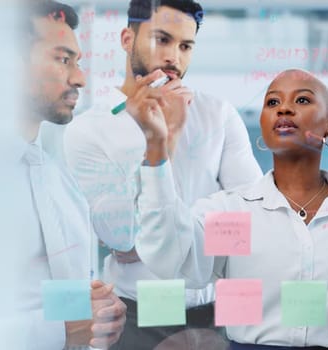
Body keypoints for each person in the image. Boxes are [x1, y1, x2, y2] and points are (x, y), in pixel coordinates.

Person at [123, 68, 328, 349]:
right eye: (272, 102)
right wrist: (156, 145)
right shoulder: (234, 214)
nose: (284, 108)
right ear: (264, 125)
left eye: (303, 99)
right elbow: (171, 258)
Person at [64, 0, 262, 348]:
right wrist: (163, 143)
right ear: (127, 39)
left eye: (186, 46)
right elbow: (122, 238)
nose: (174, 57)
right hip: (137, 317)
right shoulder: (88, 131)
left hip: (216, 312)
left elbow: (253, 221)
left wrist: (163, 238)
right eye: (162, 40)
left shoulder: (218, 114)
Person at [7, 1, 127, 348]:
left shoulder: (61, 183)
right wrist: (63, 329)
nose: (80, 78)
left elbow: (59, 303)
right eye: (63, 59)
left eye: (78, 62)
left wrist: (100, 312)